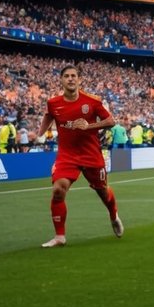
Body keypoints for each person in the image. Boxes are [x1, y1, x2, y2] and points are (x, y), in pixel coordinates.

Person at [39, 65, 123, 248]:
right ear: (61, 80)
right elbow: (49, 115)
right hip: (67, 155)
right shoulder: (53, 102)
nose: (70, 79)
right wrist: (39, 132)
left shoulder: (92, 101)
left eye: (73, 76)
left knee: (102, 192)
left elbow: (110, 121)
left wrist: (88, 126)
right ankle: (60, 237)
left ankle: (113, 215)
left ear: (79, 80)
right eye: (66, 76)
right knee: (58, 190)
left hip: (91, 154)